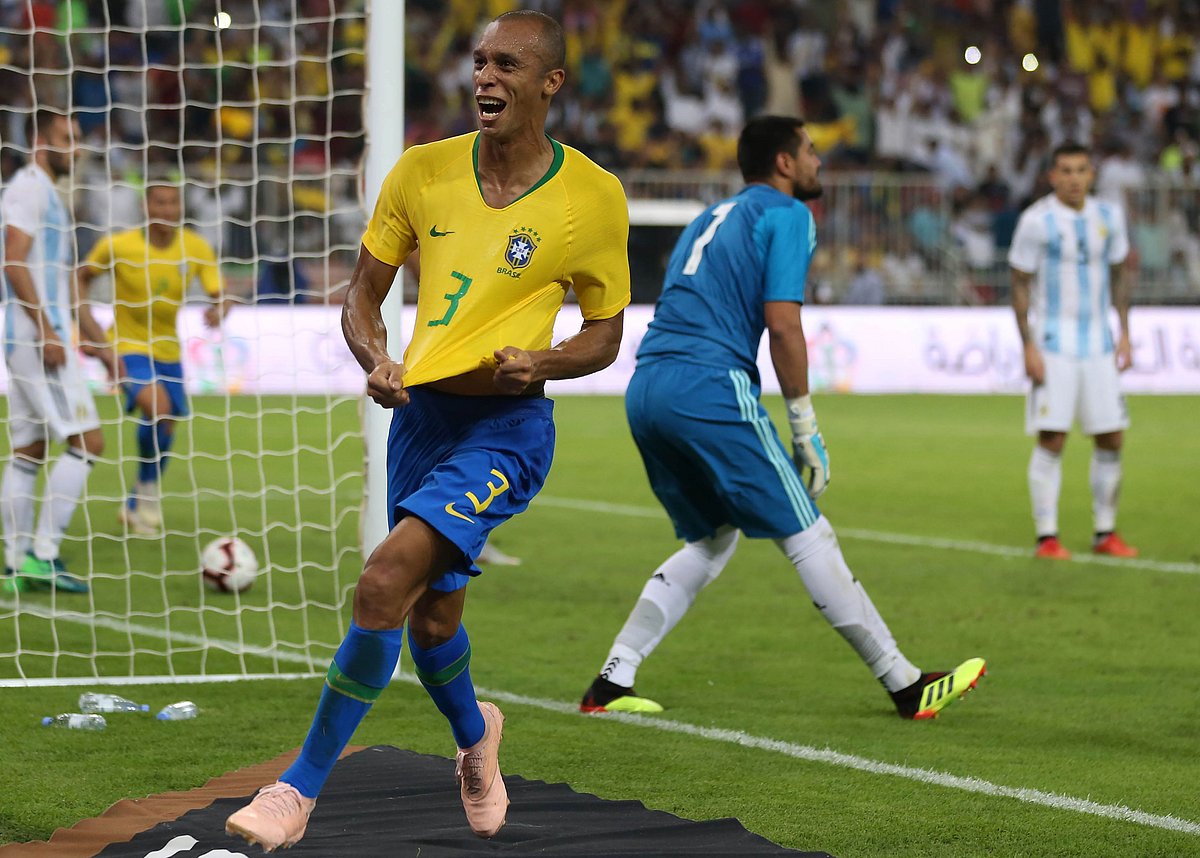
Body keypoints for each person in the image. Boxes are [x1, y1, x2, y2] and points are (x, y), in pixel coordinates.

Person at [225, 10, 629, 850]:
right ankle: (478, 737)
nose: (485, 77)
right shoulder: (421, 170)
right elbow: (362, 295)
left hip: (508, 428)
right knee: (432, 623)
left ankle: (295, 791)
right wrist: (375, 358)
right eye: (479, 61)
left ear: (550, 83)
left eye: (507, 64)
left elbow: (605, 334)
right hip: (421, 420)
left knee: (382, 581)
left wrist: (544, 362)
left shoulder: (592, 196)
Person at [579, 116, 986, 721]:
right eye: (811, 150)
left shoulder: (707, 216)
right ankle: (905, 684)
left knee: (711, 538)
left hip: (648, 387)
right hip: (708, 386)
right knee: (807, 532)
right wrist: (805, 427)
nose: (819, 161)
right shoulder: (787, 214)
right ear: (785, 163)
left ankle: (612, 679)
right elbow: (784, 323)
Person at [75, 178, 232, 535]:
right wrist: (88, 328)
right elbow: (81, 277)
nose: (166, 210)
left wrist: (219, 310)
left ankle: (139, 498)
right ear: (145, 207)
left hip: (168, 350)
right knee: (159, 408)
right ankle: (146, 495)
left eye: (172, 203)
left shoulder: (195, 247)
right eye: (159, 202)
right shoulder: (118, 245)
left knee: (167, 423)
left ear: (180, 208)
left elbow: (221, 293)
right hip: (126, 346)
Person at [1008, 142, 1136, 560]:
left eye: (1081, 170)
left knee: (1111, 437)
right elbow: (1019, 283)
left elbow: (1119, 276)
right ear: (1052, 176)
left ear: (1092, 174)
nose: (1074, 178)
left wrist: (1124, 332)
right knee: (1053, 437)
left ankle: (1105, 532)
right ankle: (1047, 536)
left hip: (1099, 344)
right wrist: (1028, 345)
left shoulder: (1109, 217)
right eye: (1065, 170)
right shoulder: (1036, 221)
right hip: (1053, 344)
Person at [0, 110, 97, 595]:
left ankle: (15, 562)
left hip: (25, 338)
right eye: (67, 138)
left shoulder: (45, 192)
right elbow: (13, 261)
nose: (76, 148)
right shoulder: (30, 188)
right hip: (38, 339)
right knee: (87, 441)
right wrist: (48, 331)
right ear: (41, 140)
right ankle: (43, 554)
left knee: (29, 450)